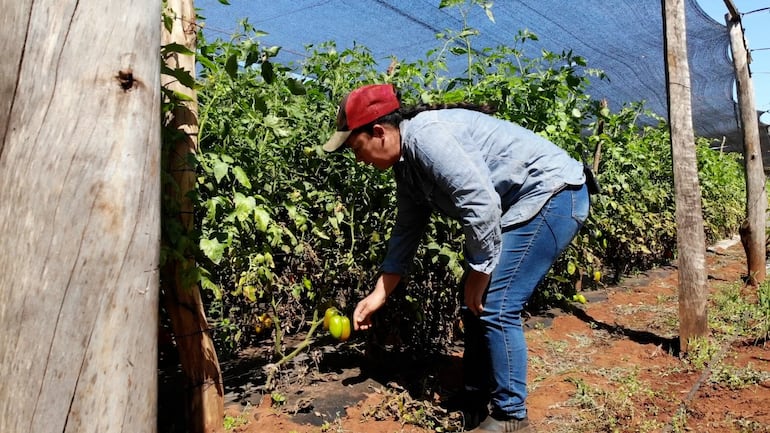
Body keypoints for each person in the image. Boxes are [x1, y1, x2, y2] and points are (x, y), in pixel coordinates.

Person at [322, 83, 590, 432]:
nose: (359, 160)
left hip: (554, 195)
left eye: (357, 149)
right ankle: (475, 396)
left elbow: (481, 204)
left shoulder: (427, 138)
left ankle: (512, 416)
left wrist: (480, 272)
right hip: (526, 205)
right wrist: (379, 294)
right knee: (474, 304)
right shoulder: (406, 166)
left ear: (379, 133)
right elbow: (407, 230)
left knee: (496, 303)